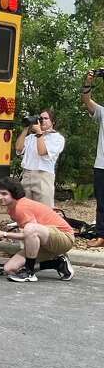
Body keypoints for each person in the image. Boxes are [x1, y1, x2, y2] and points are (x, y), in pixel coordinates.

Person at [0, 178, 75, 282]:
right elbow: (29, 233)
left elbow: (29, 233)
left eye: (4, 194)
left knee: (30, 228)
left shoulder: (21, 207)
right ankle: (58, 263)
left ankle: (29, 273)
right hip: (45, 241)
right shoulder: (11, 209)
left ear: (14, 193)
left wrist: (4, 234)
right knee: (9, 268)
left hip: (64, 238)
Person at [15, 109, 63, 206]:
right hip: (27, 175)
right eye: (41, 118)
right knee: (26, 209)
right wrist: (26, 128)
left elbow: (42, 152)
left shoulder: (57, 138)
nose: (42, 121)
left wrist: (39, 133)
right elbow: (19, 148)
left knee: (44, 211)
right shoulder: (31, 137)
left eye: (46, 118)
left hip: (43, 176)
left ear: (53, 122)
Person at [82, 69, 104, 247]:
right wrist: (89, 81)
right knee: (102, 202)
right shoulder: (103, 113)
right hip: (102, 165)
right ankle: (101, 236)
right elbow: (86, 101)